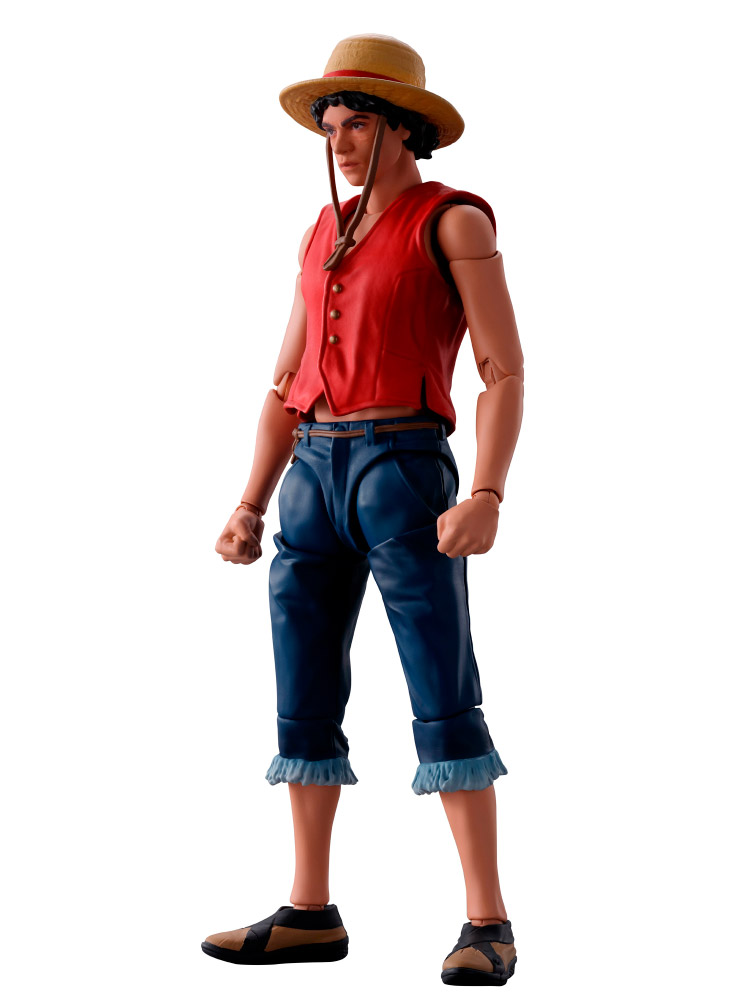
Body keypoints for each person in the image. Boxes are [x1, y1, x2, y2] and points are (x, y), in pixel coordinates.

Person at [203, 34, 524, 987]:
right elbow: (284, 378)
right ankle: (310, 908)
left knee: (441, 685)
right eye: (332, 126)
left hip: (401, 467)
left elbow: (503, 368)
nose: (341, 143)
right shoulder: (320, 232)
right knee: (302, 690)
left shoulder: (451, 221)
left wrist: (488, 492)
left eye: (360, 125)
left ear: (404, 130)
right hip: (312, 470)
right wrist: (250, 499)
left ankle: (488, 918)